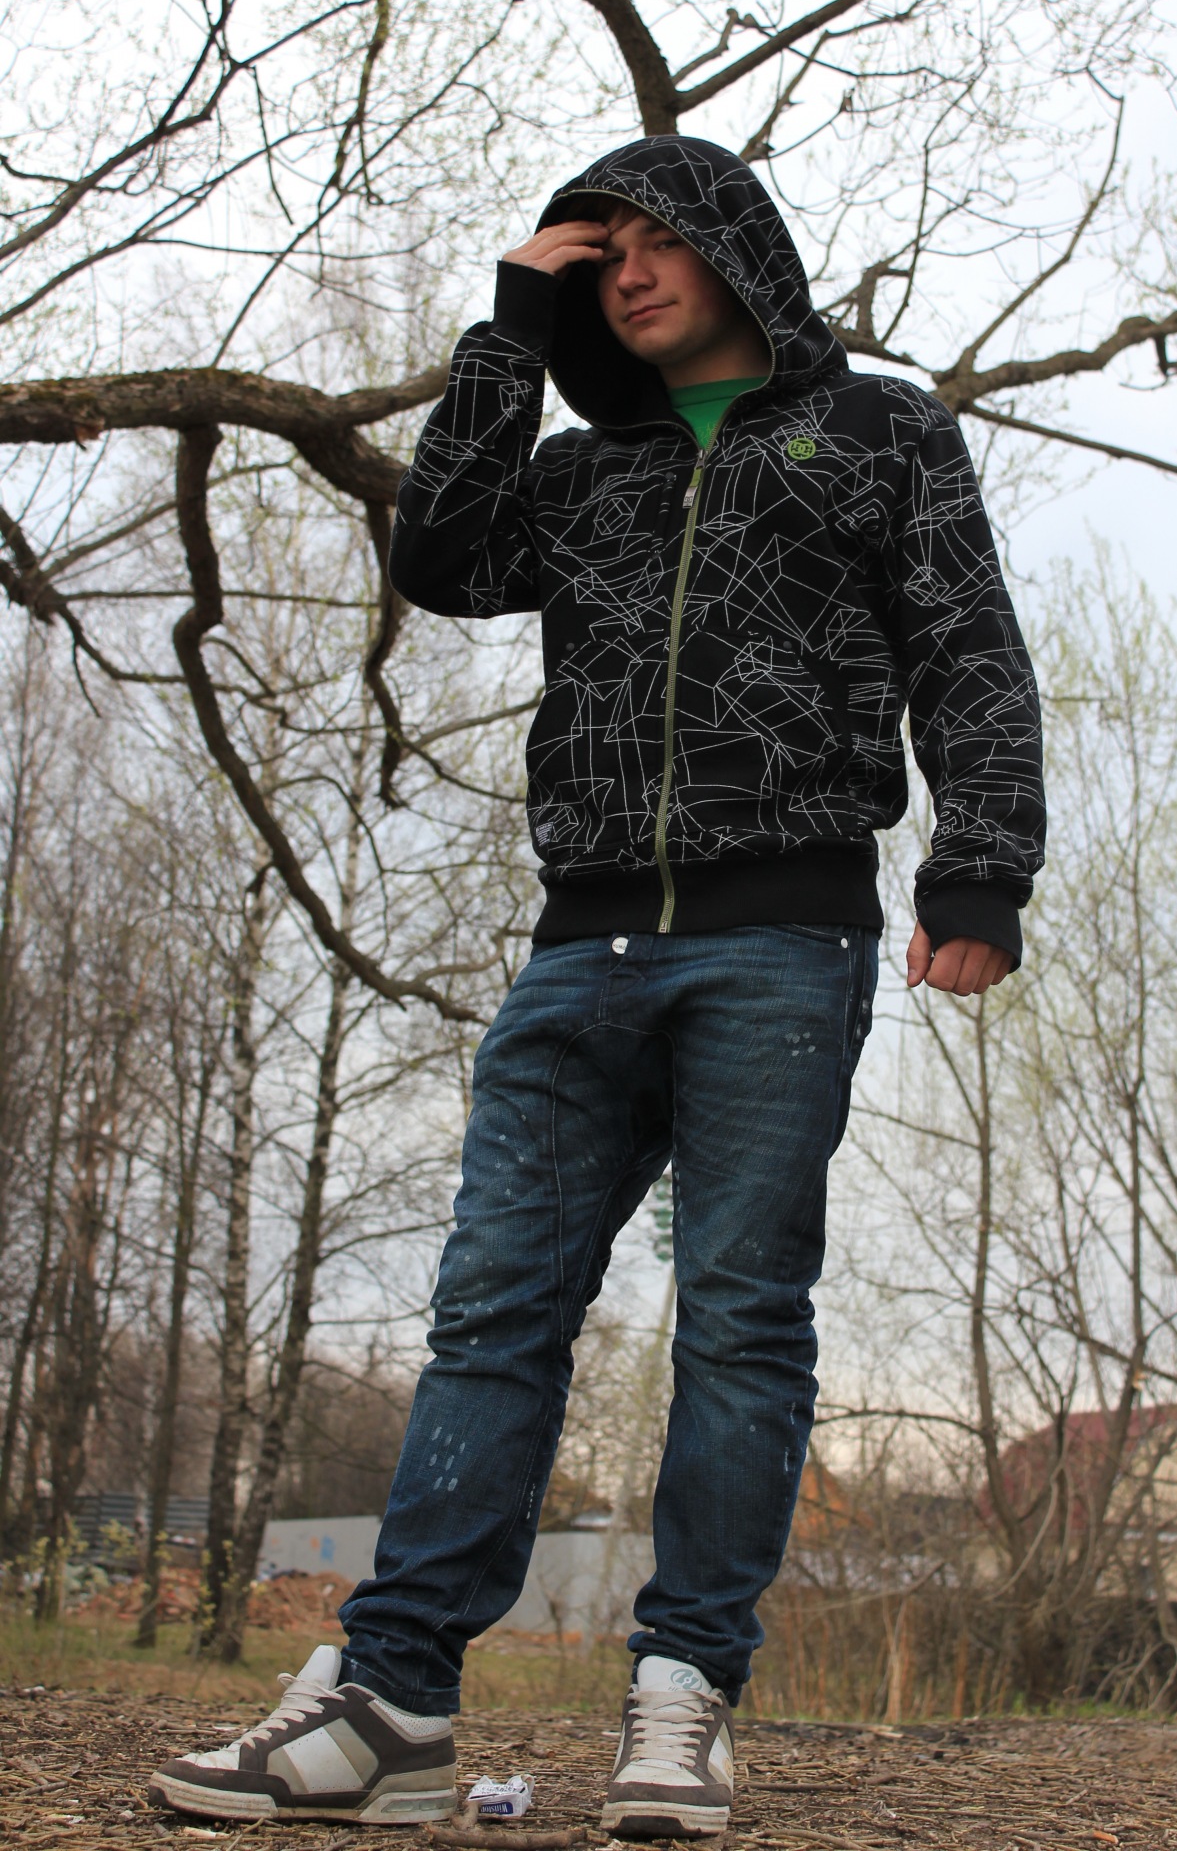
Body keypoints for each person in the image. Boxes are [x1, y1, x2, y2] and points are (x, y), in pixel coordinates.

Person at [150, 136, 1045, 1838]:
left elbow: (967, 650)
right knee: (492, 1313)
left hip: (781, 939)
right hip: (578, 948)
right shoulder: (577, 473)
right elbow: (440, 556)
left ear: (735, 249)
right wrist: (509, 326)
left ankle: (681, 1700)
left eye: (654, 240)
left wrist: (978, 871)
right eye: (597, 251)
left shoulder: (879, 433)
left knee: (740, 1316)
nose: (625, 270)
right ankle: (394, 1704)